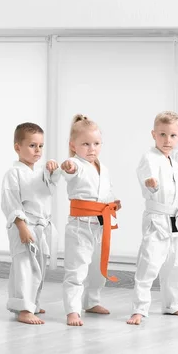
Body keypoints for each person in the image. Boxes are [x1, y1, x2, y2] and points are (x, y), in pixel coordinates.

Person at [127, 111, 178, 326]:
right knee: (149, 264)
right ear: (153, 134)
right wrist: (150, 182)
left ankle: (171, 304)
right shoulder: (150, 157)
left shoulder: (173, 162)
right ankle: (139, 309)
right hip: (157, 220)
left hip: (175, 219)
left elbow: (176, 185)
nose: (167, 140)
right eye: (162, 134)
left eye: (172, 136)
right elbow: (146, 173)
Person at [60, 114, 122, 327]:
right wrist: (68, 166)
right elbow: (69, 169)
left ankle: (92, 301)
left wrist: (113, 203)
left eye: (96, 143)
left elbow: (106, 192)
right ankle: (72, 310)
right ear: (73, 146)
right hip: (80, 226)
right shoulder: (74, 164)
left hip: (100, 224)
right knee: (77, 269)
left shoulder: (102, 168)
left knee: (97, 267)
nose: (91, 148)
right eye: (85, 144)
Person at [1, 123, 60, 325]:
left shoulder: (38, 172)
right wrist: (22, 226)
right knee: (24, 266)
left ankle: (32, 302)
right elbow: (11, 202)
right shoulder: (13, 173)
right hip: (24, 225)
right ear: (18, 147)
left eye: (41, 146)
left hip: (41, 226)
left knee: (39, 266)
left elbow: (50, 186)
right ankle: (23, 308)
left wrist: (52, 169)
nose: (38, 151)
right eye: (32, 146)